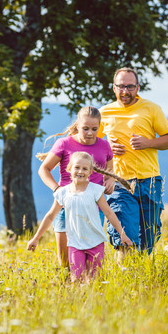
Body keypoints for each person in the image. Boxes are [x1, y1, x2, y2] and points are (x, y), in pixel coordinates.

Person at [98, 67, 168, 260]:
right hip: (119, 183)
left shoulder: (152, 108)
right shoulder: (104, 112)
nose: (125, 91)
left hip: (150, 181)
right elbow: (89, 144)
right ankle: (124, 282)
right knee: (124, 236)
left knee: (149, 239)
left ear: (138, 87)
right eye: (121, 86)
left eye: (130, 86)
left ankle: (142, 279)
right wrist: (107, 146)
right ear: (113, 88)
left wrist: (148, 143)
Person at [27, 152, 132, 281]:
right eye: (77, 167)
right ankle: (79, 299)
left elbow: (109, 213)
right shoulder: (63, 193)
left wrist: (122, 234)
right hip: (75, 244)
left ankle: (95, 300)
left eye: (85, 169)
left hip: (95, 242)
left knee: (95, 279)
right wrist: (36, 238)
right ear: (69, 169)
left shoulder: (95, 190)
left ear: (90, 172)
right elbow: (50, 216)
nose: (80, 171)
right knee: (76, 279)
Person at [37, 106, 114, 268]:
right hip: (66, 207)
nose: (90, 133)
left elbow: (109, 172)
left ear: (100, 127)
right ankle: (69, 290)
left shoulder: (105, 146)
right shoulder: (64, 144)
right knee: (66, 262)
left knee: (90, 261)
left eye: (94, 129)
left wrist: (110, 181)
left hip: (93, 208)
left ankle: (90, 291)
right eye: (85, 128)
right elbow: (43, 169)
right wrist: (57, 190)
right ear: (77, 125)